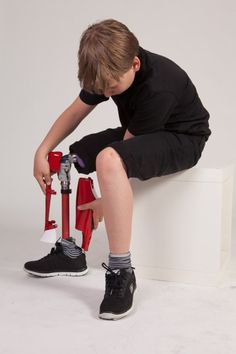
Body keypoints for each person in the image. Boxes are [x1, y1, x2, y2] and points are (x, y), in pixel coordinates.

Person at [24, 19, 211, 320]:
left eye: (112, 87)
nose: (107, 93)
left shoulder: (157, 87)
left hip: (183, 139)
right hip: (145, 129)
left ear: (135, 64)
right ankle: (71, 252)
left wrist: (106, 203)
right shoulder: (110, 68)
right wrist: (42, 150)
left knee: (108, 160)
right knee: (75, 157)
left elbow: (123, 155)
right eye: (102, 88)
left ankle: (122, 271)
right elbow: (75, 112)